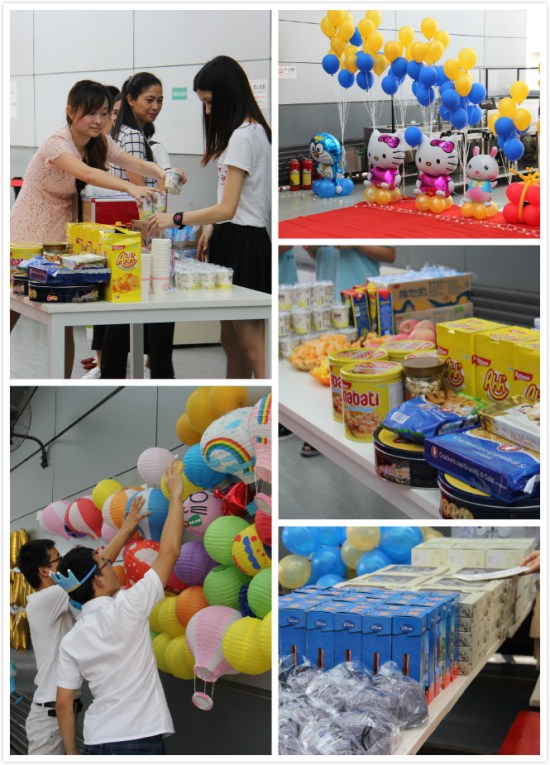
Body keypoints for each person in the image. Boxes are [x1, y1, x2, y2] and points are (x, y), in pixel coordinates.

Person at [10, 80, 170, 378]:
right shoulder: (56, 143)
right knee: (12, 309)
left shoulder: (100, 143)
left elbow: (131, 161)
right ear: (71, 111)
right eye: (91, 113)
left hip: (61, 240)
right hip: (27, 234)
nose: (98, 120)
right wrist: (129, 187)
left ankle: (61, 384)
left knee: (63, 317)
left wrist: (163, 171)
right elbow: (86, 173)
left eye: (104, 113)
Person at [147, 56, 271, 379]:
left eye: (210, 102)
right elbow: (231, 205)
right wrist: (212, 225)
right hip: (232, 237)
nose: (207, 111)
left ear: (228, 94)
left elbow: (228, 208)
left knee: (251, 344)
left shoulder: (245, 135)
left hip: (245, 243)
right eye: (203, 103)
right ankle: (238, 402)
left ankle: (270, 404)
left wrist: (176, 218)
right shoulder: (245, 133)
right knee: (231, 341)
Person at [53, 461, 184, 755]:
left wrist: (72, 754)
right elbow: (170, 551)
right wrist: (176, 496)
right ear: (98, 581)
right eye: (106, 563)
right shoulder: (128, 606)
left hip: (96, 740)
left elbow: (63, 703)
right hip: (139, 739)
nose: (112, 564)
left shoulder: (72, 639)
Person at [16, 495, 149, 755]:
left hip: (60, 710)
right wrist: (126, 528)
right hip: (50, 716)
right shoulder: (44, 599)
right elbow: (93, 568)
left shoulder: (57, 599)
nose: (63, 562)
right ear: (44, 571)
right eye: (57, 559)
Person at [99, 72, 184, 380]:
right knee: (147, 311)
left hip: (121, 232)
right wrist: (150, 239)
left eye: (160, 100)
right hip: (137, 234)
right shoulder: (134, 136)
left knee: (120, 313)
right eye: (149, 100)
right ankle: (158, 373)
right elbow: (140, 196)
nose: (156, 106)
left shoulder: (121, 132)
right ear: (131, 100)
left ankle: (113, 373)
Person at [304, 245, 396, 296]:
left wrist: (355, 242)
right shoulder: (319, 218)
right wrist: (310, 248)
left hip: (360, 297)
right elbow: (318, 256)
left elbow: (390, 255)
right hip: (325, 297)